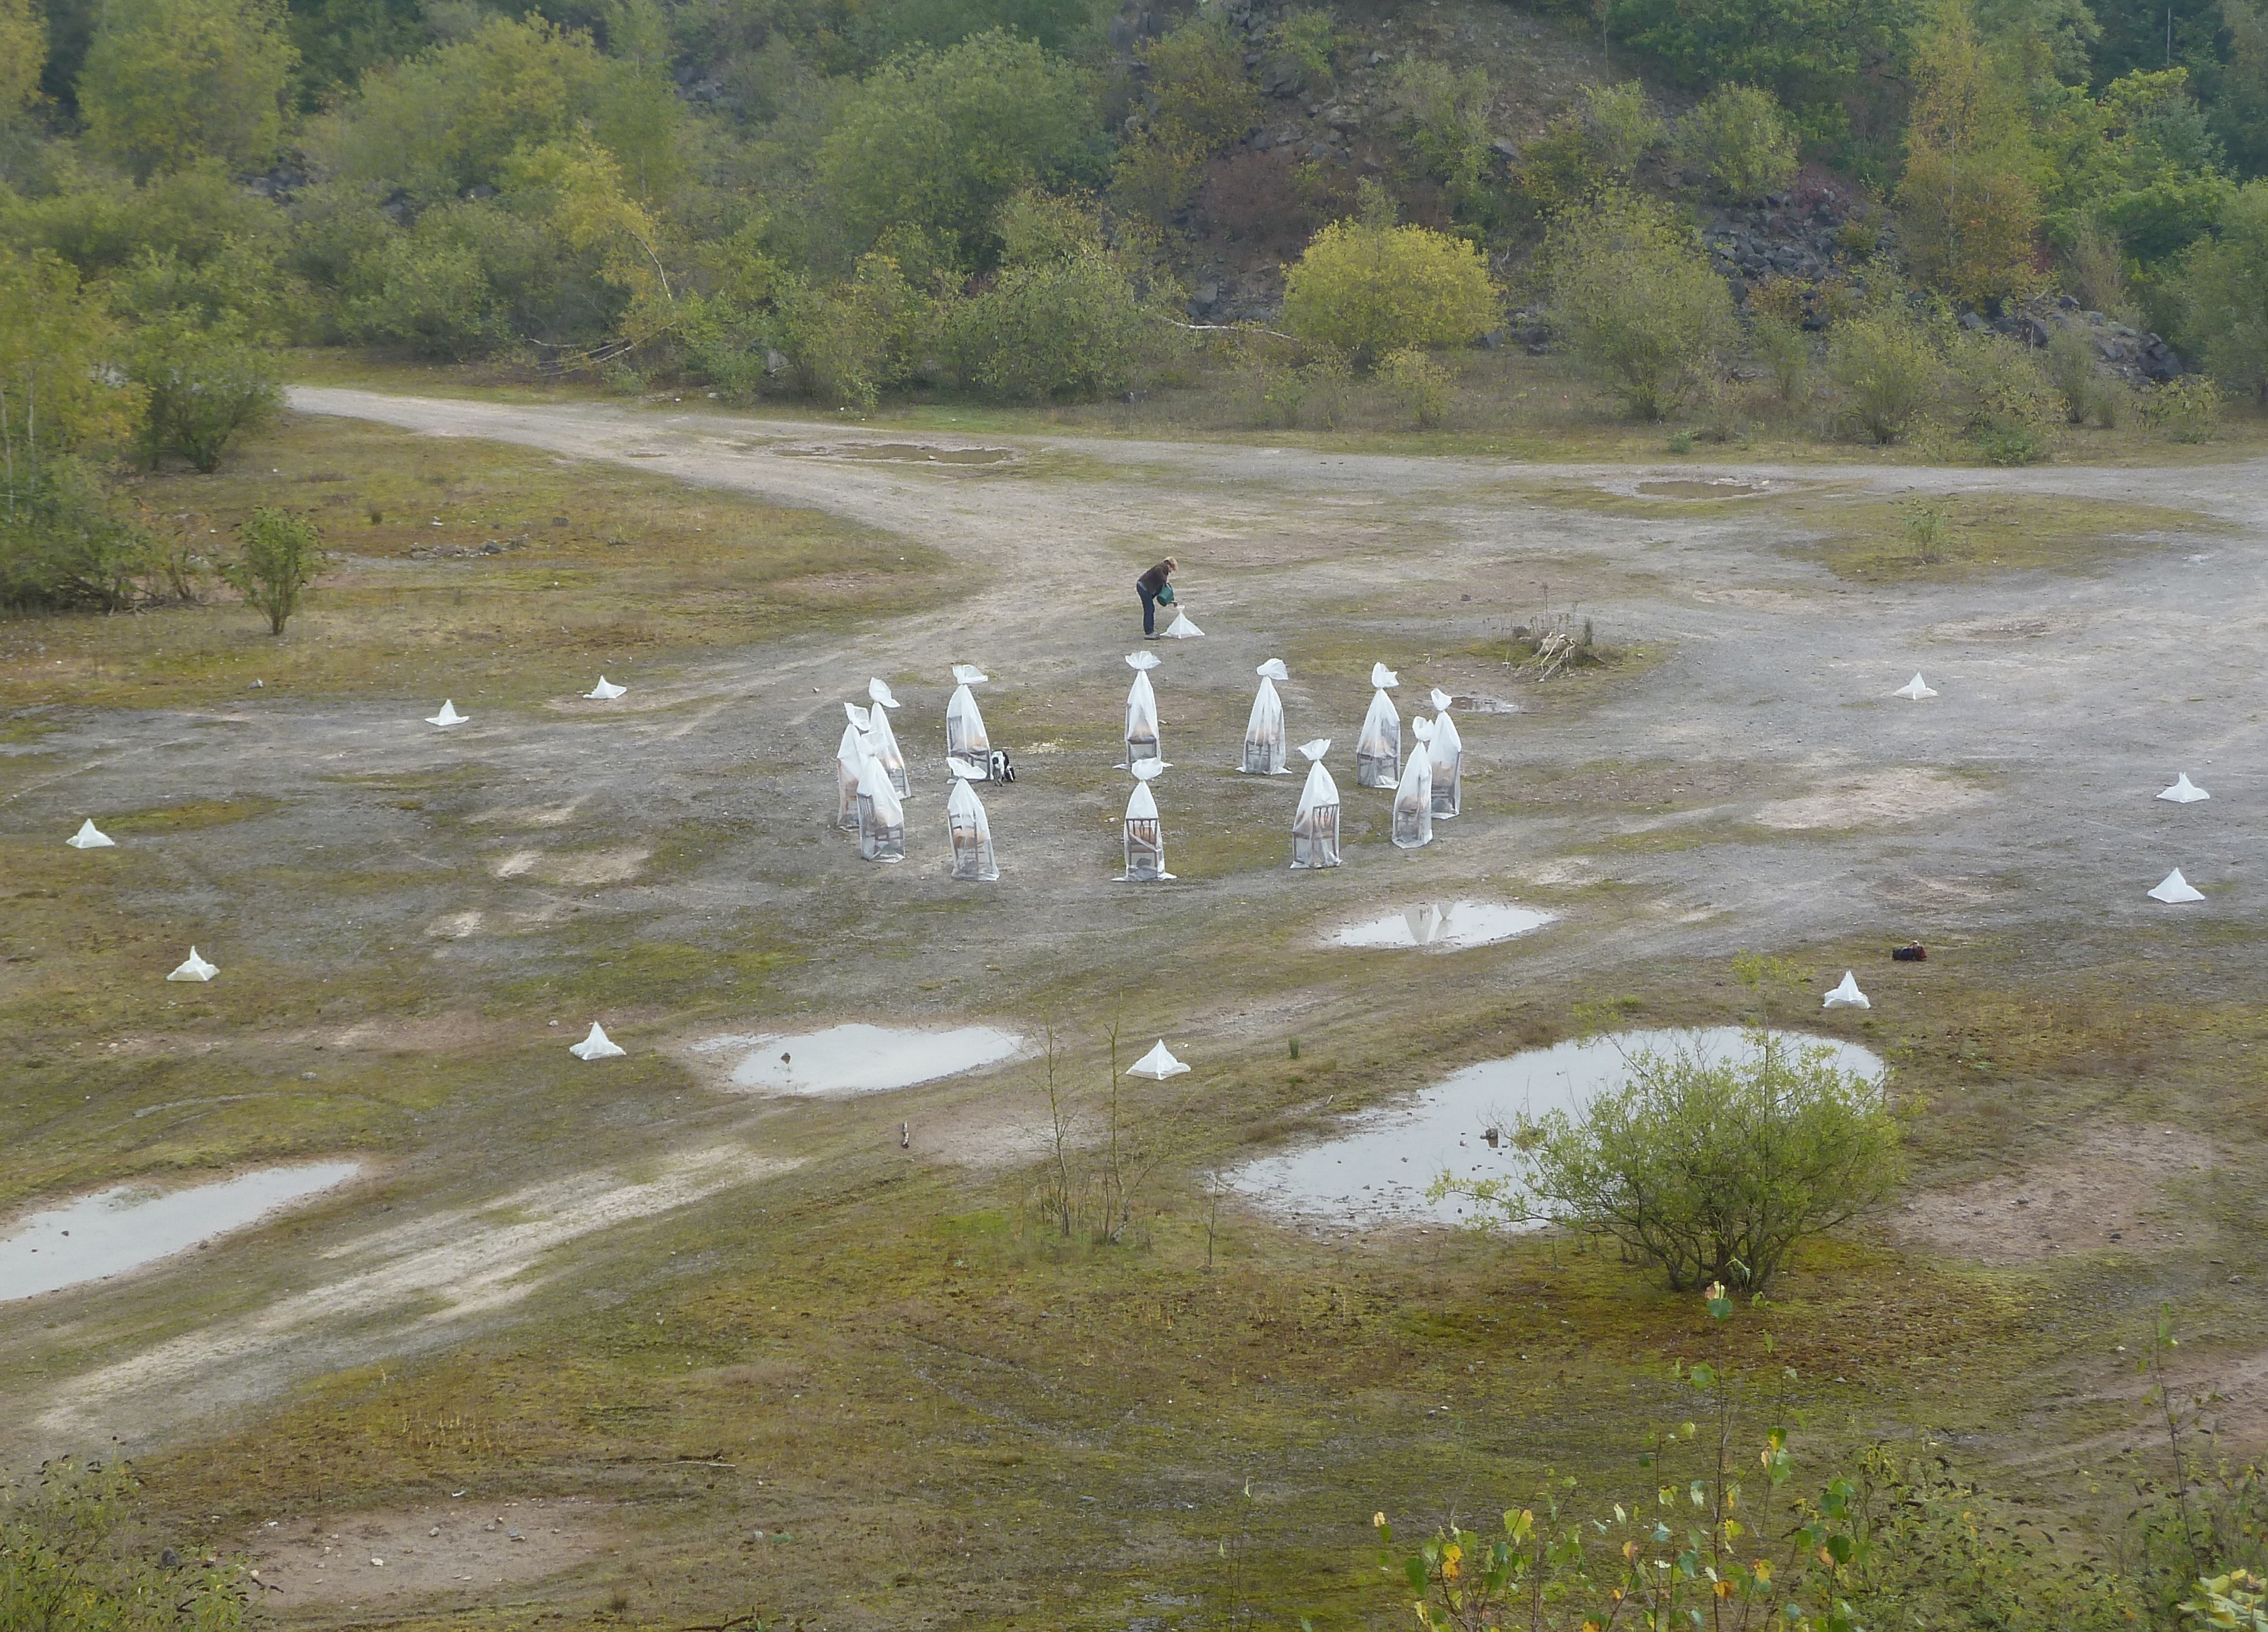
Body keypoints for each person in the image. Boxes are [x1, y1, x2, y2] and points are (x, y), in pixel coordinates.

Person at [1135, 557, 1178, 638]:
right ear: (1170, 565)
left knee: (1150, 609)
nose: (1171, 571)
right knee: (1149, 609)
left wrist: (1173, 600)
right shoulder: (1163, 567)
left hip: (1143, 587)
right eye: (1172, 569)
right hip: (1144, 588)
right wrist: (1165, 581)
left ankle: (1150, 631)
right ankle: (1149, 632)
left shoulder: (1163, 569)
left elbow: (1166, 590)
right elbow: (1158, 571)